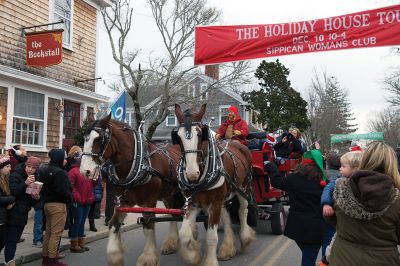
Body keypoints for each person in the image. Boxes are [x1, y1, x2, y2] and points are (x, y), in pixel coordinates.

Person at [326, 142, 400, 266]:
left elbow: (333, 220)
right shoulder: (396, 198)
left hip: (342, 258)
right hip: (383, 259)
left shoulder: (341, 188)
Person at [267, 149, 327, 266]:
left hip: (297, 229)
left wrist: (272, 167)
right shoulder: (325, 182)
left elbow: (276, 182)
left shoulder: (293, 179)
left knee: (308, 258)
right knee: (308, 258)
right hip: (316, 230)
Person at [319, 151, 363, 265]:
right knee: (335, 239)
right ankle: (326, 259)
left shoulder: (366, 184)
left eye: (343, 166)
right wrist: (326, 203)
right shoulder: (339, 181)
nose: (340, 169)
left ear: (356, 168)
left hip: (358, 227)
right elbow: (328, 190)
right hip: (344, 224)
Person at [5, 156, 41, 266]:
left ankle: (8, 260)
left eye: (33, 168)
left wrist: (36, 197)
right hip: (13, 212)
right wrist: (25, 183)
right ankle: (8, 262)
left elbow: (32, 201)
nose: (30, 169)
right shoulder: (16, 175)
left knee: (14, 240)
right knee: (11, 241)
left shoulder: (34, 178)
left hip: (23, 213)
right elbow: (14, 191)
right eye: (28, 166)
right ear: (25, 165)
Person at [40, 149, 72, 266]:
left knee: (48, 232)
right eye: (63, 157)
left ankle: (45, 258)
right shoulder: (60, 172)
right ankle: (52, 259)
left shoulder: (44, 170)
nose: (65, 160)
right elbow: (63, 191)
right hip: (58, 205)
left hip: (47, 204)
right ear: (58, 158)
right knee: (56, 233)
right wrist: (70, 197)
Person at [68, 155, 94, 253]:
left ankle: (80, 242)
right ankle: (74, 244)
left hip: (87, 201)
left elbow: (92, 184)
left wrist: (95, 175)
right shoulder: (73, 171)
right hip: (77, 202)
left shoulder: (87, 171)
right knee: (77, 222)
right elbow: (71, 186)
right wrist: (76, 197)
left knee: (82, 222)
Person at [0, 155, 15, 265]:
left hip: (3, 215)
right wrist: (11, 199)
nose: (10, 168)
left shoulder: (5, 179)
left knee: (2, 241)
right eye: (7, 166)